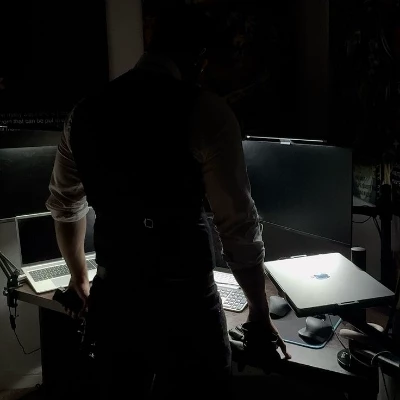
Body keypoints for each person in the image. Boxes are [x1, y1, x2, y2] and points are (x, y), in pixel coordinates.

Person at [46, 6, 290, 399]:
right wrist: (259, 312)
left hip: (115, 297)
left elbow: (65, 207)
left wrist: (79, 278)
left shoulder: (83, 113)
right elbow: (237, 226)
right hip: (186, 302)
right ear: (200, 58)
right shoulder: (207, 111)